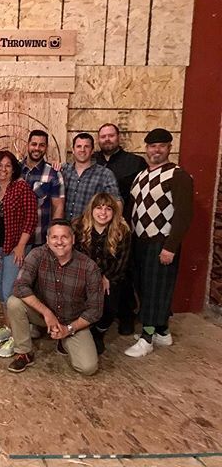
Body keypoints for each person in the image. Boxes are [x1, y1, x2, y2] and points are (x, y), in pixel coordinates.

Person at [124, 128, 193, 357]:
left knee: (156, 290)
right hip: (140, 240)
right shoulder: (142, 175)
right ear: (146, 149)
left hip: (161, 241)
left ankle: (147, 337)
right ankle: (162, 331)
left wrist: (170, 247)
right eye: (153, 146)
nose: (156, 150)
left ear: (169, 148)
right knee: (144, 287)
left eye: (161, 146)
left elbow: (184, 215)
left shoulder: (177, 175)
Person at [6, 219, 103, 375]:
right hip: (44, 316)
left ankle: (64, 339)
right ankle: (24, 352)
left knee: (88, 368)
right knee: (14, 302)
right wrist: (47, 313)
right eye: (54, 237)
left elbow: (95, 311)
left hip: (73, 320)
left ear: (73, 239)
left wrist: (68, 329)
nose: (59, 242)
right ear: (47, 240)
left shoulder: (88, 266)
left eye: (64, 237)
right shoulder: (37, 254)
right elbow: (20, 286)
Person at [94, 123, 147, 335]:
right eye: (103, 136)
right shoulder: (93, 160)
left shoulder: (135, 163)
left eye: (111, 136)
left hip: (123, 227)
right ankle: (99, 315)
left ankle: (126, 315)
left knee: (123, 272)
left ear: (118, 138)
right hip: (95, 225)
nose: (107, 139)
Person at [0, 151, 37, 358]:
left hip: (15, 247)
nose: (3, 169)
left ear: (13, 168)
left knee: (10, 293)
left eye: (7, 166)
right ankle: (8, 328)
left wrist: (22, 246)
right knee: (0, 290)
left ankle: (18, 338)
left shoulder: (21, 187)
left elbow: (31, 218)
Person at [73, 193, 131, 354]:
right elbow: (75, 257)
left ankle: (98, 333)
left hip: (110, 275)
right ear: (92, 210)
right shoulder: (78, 227)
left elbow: (122, 262)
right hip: (83, 275)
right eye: (99, 207)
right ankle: (79, 330)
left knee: (110, 304)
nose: (103, 212)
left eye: (108, 209)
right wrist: (93, 278)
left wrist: (107, 277)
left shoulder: (122, 231)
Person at [61, 132, 121, 221]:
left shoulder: (105, 174)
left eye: (86, 146)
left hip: (88, 230)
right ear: (73, 150)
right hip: (64, 230)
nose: (82, 150)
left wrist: (115, 226)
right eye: (79, 146)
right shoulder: (64, 170)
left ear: (92, 150)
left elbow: (116, 202)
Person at [20, 129, 65, 246]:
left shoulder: (53, 174)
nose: (37, 148)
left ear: (46, 148)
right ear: (27, 145)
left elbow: (58, 207)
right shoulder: (15, 169)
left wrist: (53, 237)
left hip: (39, 239)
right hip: (15, 238)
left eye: (42, 145)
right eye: (34, 144)